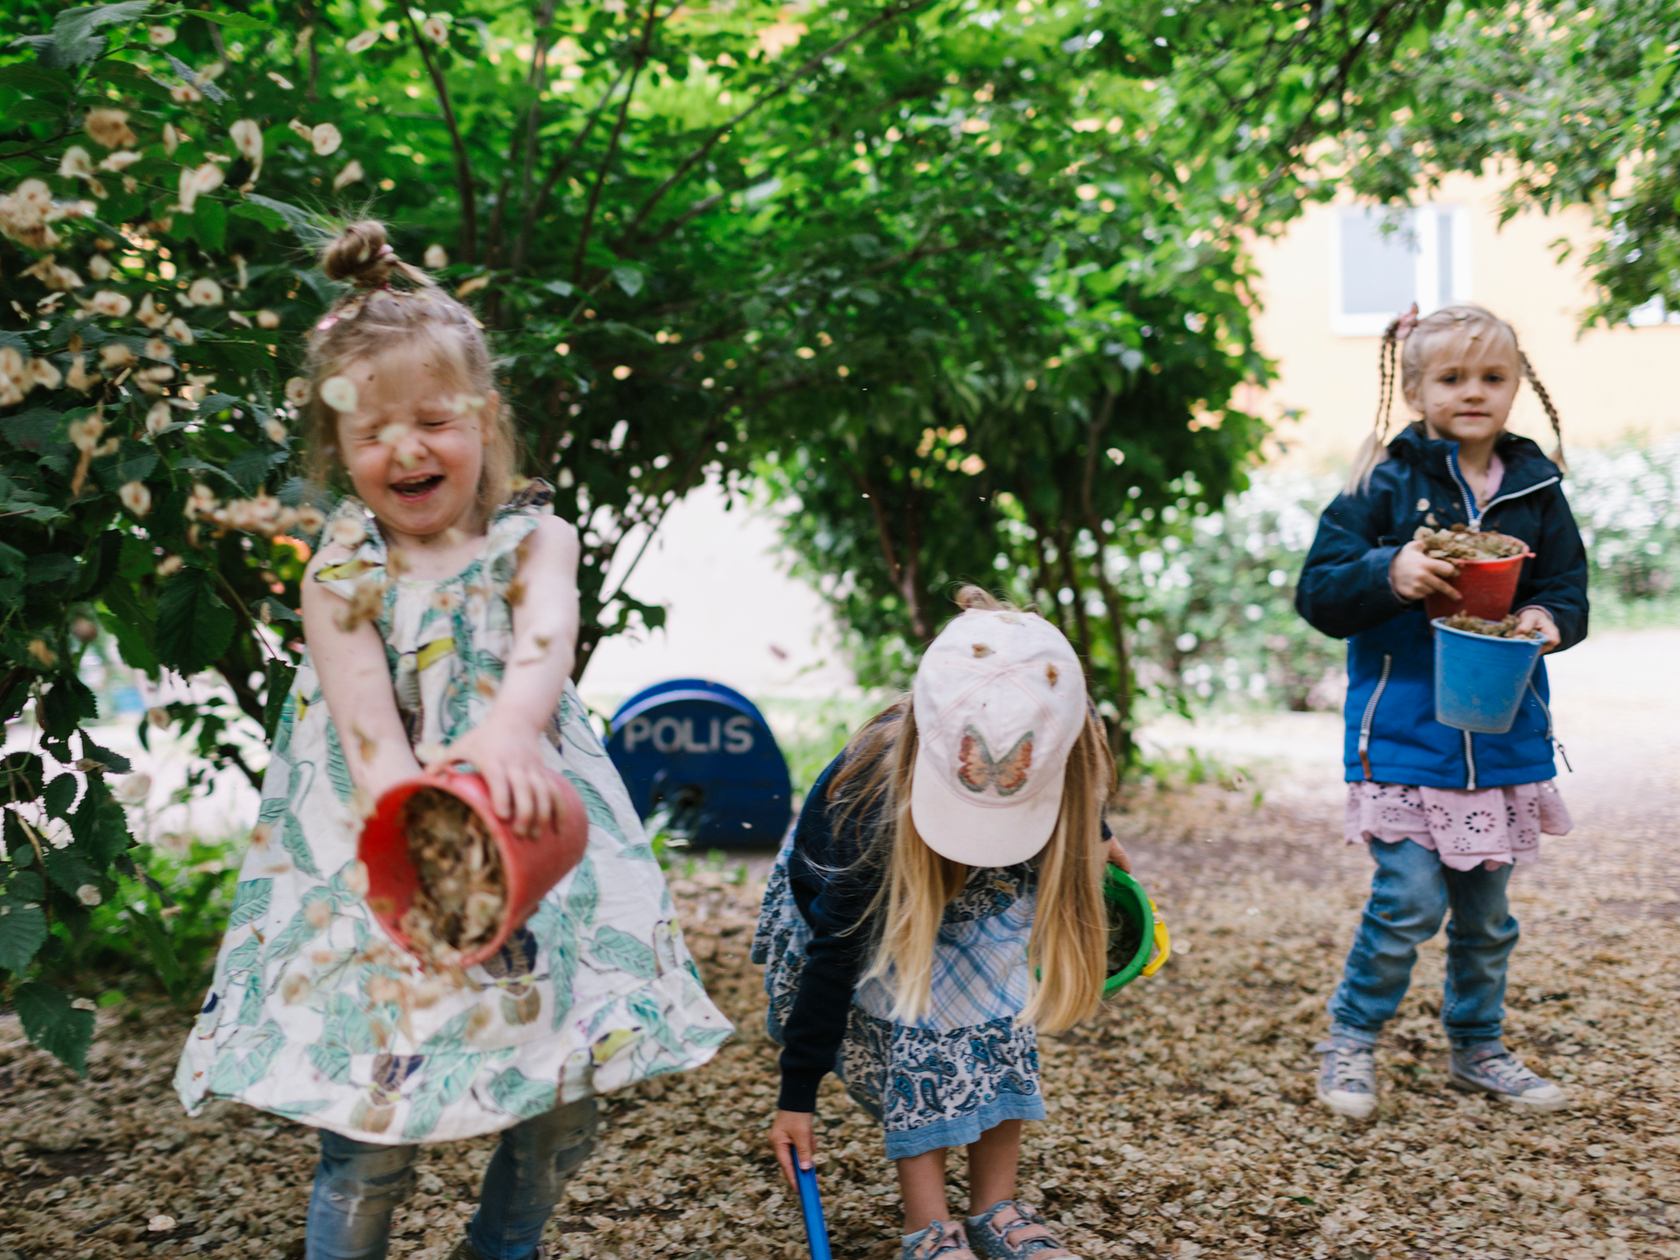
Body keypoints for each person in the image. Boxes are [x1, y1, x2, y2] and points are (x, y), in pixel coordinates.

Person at [174, 221, 732, 1260]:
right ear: (337, 450)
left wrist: (515, 730)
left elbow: (546, 640)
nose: (407, 449)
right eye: (373, 432)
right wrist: (435, 853)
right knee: (369, 1140)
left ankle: (500, 1245)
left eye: (434, 419)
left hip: (532, 843)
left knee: (566, 1098)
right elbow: (368, 735)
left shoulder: (537, 540)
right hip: (389, 869)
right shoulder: (342, 569)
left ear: (484, 417)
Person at [752, 588, 1130, 1260]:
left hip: (973, 903)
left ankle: (995, 1207)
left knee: (1002, 1015)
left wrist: (1097, 834)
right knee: (917, 1029)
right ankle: (927, 1225)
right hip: (872, 912)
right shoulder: (875, 803)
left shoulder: (1062, 756)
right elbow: (834, 953)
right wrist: (796, 1097)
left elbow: (1079, 793)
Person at [1295, 302, 1587, 1120]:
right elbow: (1318, 590)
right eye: (1453, 378)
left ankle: (1478, 1047)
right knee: (1409, 901)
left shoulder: (1536, 488)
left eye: (1492, 377)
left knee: (1488, 916)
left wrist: (1546, 620)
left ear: (1517, 386)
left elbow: (1567, 587)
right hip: (1405, 734)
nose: (1474, 392)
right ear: (1418, 387)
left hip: (1501, 736)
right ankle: (1351, 1040)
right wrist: (1389, 571)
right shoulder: (1383, 483)